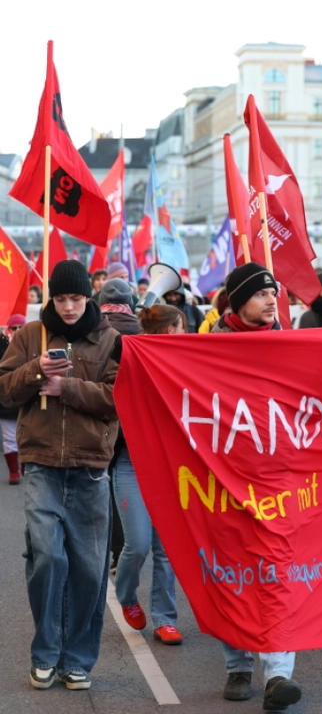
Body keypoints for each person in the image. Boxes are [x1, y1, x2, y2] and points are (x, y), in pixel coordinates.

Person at [0, 260, 121, 691]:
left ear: (89, 296)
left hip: (91, 469)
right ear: (51, 297)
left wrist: (65, 387)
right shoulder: (30, 335)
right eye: (62, 298)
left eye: (76, 298)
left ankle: (78, 661)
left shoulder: (111, 339)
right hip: (41, 464)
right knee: (47, 559)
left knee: (89, 570)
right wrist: (36, 371)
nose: (69, 306)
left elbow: (120, 398)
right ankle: (45, 653)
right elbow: (3, 390)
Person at [210, 262, 301, 711]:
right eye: (262, 293)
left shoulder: (292, 345)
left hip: (278, 480)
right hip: (224, 480)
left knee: (278, 574)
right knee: (233, 574)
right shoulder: (210, 350)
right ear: (240, 300)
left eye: (273, 293)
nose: (271, 300)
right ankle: (237, 664)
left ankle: (278, 674)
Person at [111, 304, 186, 646]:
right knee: (138, 544)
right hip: (130, 462)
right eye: (182, 327)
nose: (185, 334)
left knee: (167, 549)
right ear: (170, 330)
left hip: (169, 465)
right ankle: (127, 596)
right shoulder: (130, 353)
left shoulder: (185, 362)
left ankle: (165, 620)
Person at [100, 279, 140, 573]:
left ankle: (110, 550)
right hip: (134, 423)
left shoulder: (95, 331)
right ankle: (125, 550)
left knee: (103, 486)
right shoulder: (141, 329)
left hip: (102, 418)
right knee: (130, 489)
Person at [0, 314, 26, 484]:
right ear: (8, 329)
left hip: (26, 398)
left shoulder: (32, 343)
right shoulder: (2, 345)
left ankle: (25, 468)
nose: (17, 331)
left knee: (26, 437)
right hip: (6, 400)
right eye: (14, 328)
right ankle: (14, 472)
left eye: (21, 327)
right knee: (9, 437)